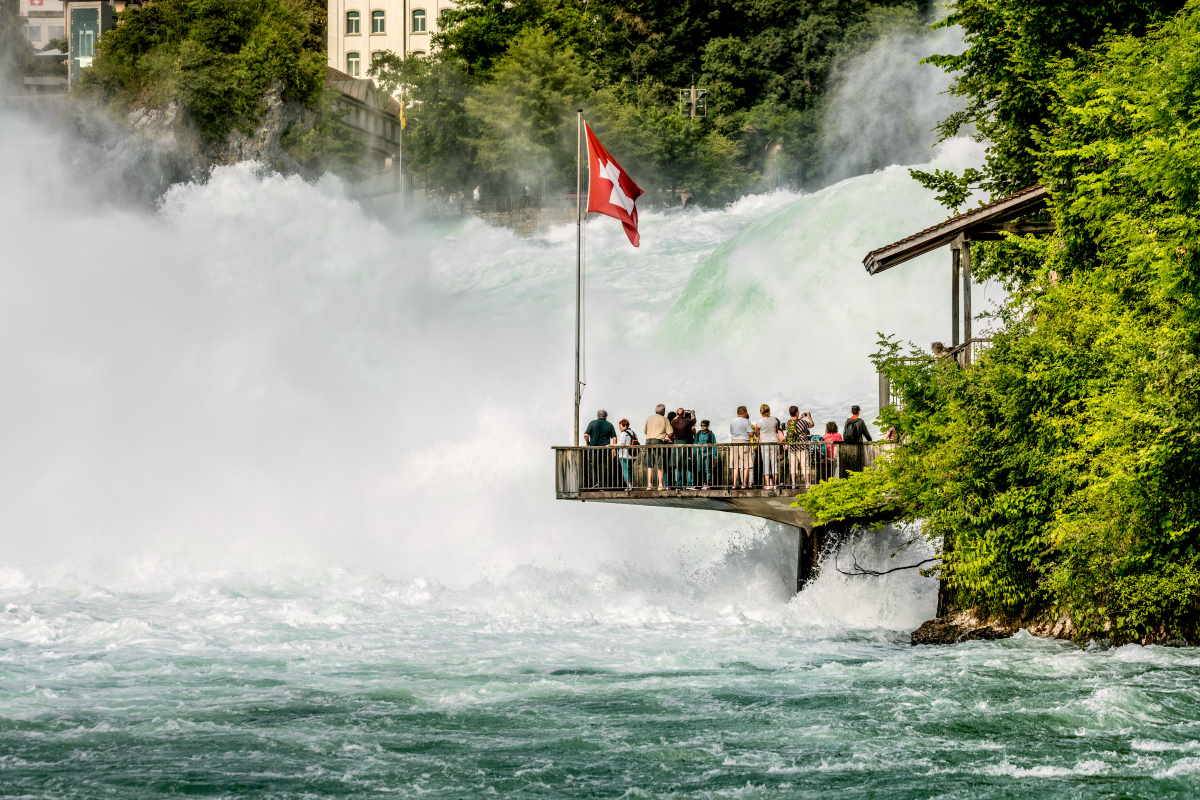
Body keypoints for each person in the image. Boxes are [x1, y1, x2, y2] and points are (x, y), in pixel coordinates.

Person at [583, 409, 617, 488]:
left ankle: (596, 482)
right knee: (605, 466)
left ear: (598, 416)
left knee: (594, 466)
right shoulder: (609, 425)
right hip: (605, 450)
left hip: (594, 450)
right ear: (606, 416)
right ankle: (603, 484)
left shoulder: (592, 423)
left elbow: (586, 435)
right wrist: (614, 449)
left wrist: (587, 443)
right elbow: (614, 438)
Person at [784, 406, 815, 488]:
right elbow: (812, 425)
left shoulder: (788, 423)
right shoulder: (802, 422)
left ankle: (794, 484)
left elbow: (795, 424)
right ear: (797, 412)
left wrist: (800, 417)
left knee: (793, 466)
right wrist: (809, 416)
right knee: (805, 466)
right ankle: (807, 483)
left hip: (792, 447)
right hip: (802, 447)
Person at [643, 403, 672, 490]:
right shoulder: (664, 419)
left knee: (649, 464)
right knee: (660, 463)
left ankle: (649, 485)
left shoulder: (649, 418)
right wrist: (666, 436)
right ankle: (660, 485)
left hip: (648, 441)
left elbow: (645, 431)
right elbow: (670, 432)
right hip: (658, 441)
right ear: (663, 411)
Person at [755, 404, 782, 489]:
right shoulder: (774, 420)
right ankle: (774, 484)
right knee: (774, 463)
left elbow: (756, 433)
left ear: (761, 412)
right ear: (769, 410)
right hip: (774, 442)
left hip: (765, 443)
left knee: (766, 463)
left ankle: (767, 484)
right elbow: (776, 430)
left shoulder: (759, 421)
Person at [842, 404, 873, 475]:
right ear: (858, 412)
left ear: (851, 412)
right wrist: (870, 441)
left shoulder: (847, 421)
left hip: (848, 446)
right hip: (858, 445)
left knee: (850, 465)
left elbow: (844, 434)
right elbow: (866, 434)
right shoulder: (860, 421)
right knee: (859, 465)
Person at [671, 407, 696, 488]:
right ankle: (688, 484)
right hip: (685, 443)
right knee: (687, 464)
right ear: (684, 414)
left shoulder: (674, 421)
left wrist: (676, 415)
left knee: (678, 465)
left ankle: (678, 483)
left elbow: (672, 422)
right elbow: (694, 421)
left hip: (676, 444)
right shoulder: (687, 421)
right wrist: (692, 413)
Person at [729, 406, 754, 489]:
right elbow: (751, 434)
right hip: (744, 442)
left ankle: (734, 484)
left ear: (737, 413)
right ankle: (744, 484)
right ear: (745, 412)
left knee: (735, 465)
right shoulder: (747, 421)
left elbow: (731, 432)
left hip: (734, 442)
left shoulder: (732, 421)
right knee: (746, 465)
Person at [695, 419, 717, 489]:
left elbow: (714, 445)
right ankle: (699, 483)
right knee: (699, 469)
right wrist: (695, 454)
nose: (702, 427)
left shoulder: (711, 434)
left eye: (704, 425)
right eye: (701, 425)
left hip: (708, 454)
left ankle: (707, 483)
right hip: (699, 454)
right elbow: (695, 443)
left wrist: (714, 456)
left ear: (707, 426)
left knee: (707, 469)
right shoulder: (698, 433)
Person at [616, 418, 637, 490]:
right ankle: (631, 485)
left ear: (624, 425)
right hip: (632, 455)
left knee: (625, 470)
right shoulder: (632, 432)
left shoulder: (623, 433)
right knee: (630, 470)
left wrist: (611, 445)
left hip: (624, 455)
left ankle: (629, 486)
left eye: (620, 426)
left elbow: (621, 444)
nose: (619, 428)